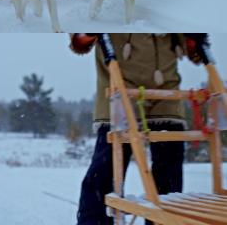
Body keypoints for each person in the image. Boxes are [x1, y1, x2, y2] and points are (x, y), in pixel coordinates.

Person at [70, 34, 203, 225]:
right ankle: (94, 220)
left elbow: (192, 48)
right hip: (119, 83)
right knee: (107, 168)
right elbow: (79, 41)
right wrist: (85, 34)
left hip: (165, 85)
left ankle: (163, 220)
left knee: (169, 170)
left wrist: (192, 41)